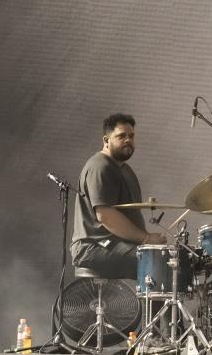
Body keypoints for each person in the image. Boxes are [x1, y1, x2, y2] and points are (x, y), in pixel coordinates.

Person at [70, 114, 165, 279]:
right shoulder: (100, 167)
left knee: (165, 257)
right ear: (106, 140)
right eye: (121, 136)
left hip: (114, 244)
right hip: (93, 246)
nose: (128, 140)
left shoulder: (126, 170)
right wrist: (147, 239)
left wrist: (150, 242)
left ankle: (153, 305)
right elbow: (106, 216)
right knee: (154, 261)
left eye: (131, 136)